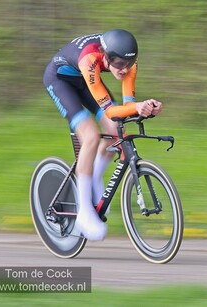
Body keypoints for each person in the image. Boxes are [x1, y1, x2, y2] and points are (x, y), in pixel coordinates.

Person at [43, 29, 162, 240]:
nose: (124, 70)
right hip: (60, 80)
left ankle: (94, 177)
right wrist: (137, 107)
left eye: (128, 63)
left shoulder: (128, 63)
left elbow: (127, 106)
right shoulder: (90, 59)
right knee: (89, 136)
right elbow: (110, 111)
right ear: (106, 56)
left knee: (116, 129)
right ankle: (84, 213)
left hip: (85, 80)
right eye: (118, 64)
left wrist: (145, 107)